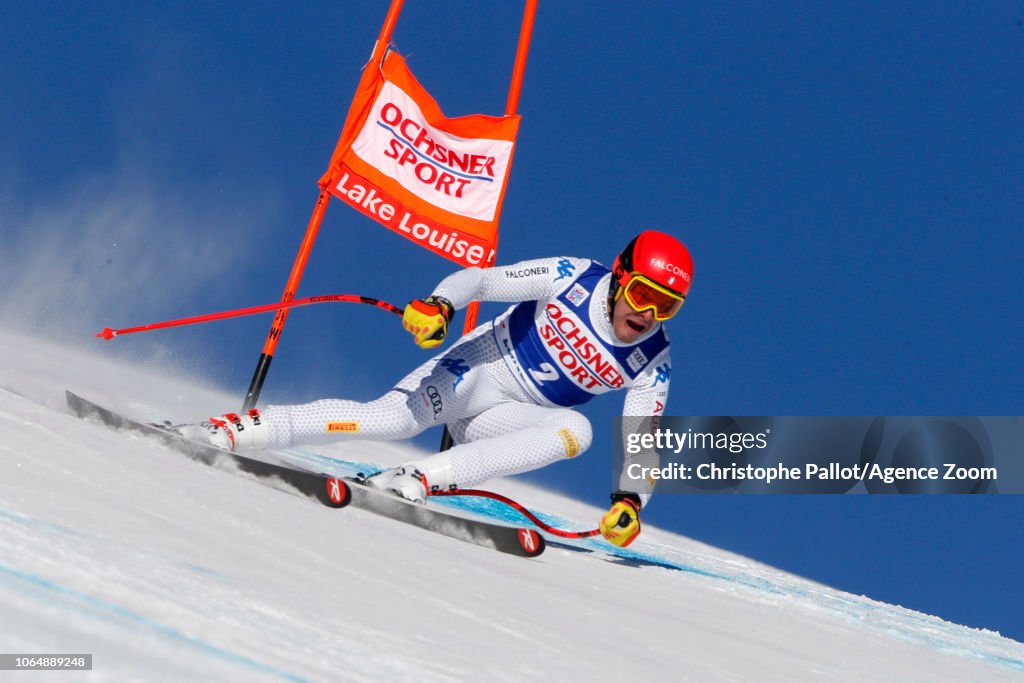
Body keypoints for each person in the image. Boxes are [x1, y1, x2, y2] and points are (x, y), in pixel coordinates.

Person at [186, 230, 693, 548]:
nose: (645, 316)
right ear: (620, 278)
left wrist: (631, 502)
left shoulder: (652, 358)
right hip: (475, 373)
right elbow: (484, 281)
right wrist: (440, 304)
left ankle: (415, 479)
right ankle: (242, 427)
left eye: (665, 307)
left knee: (574, 431)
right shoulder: (573, 278)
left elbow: (642, 435)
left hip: (505, 418)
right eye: (642, 294)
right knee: (394, 421)